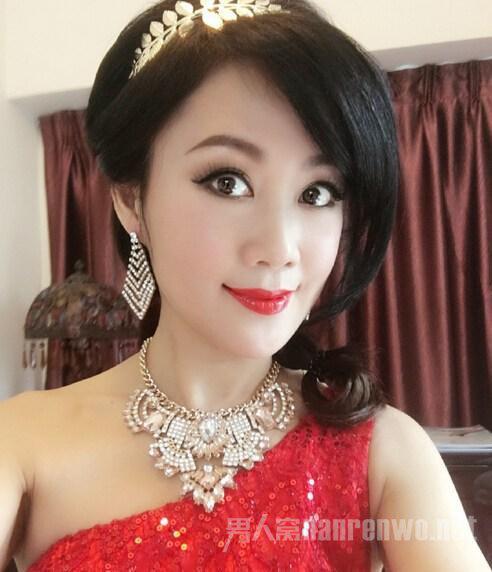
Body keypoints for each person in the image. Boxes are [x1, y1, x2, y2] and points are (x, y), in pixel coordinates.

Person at [1, 0, 490, 570]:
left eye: (317, 193)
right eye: (228, 181)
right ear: (131, 198)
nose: (280, 248)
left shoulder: (383, 450)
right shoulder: (23, 443)